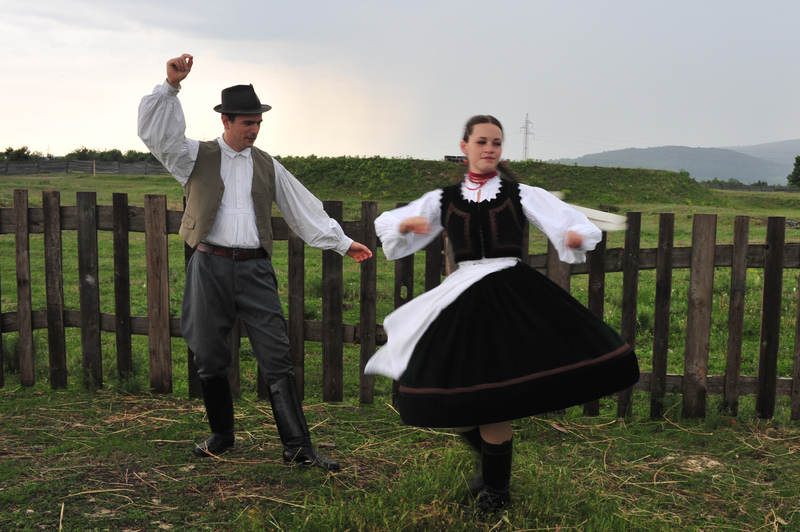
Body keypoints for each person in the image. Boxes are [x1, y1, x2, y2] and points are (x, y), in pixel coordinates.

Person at [364, 115, 639, 514]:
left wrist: (574, 236)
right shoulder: (444, 198)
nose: (489, 149)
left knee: (493, 403)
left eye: (496, 143)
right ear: (465, 147)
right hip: (462, 297)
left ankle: (496, 491)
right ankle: (492, 467)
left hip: (510, 293)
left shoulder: (519, 193)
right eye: (482, 142)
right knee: (457, 403)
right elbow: (392, 225)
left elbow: (565, 223)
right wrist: (406, 223)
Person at [137, 54, 372, 473]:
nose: (255, 129)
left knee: (276, 354)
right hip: (208, 266)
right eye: (247, 122)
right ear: (226, 120)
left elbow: (303, 208)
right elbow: (158, 136)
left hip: (254, 269)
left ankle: (298, 446)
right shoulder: (193, 156)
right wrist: (170, 87)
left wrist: (342, 242)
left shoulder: (267, 165)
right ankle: (222, 436)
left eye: (259, 122)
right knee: (208, 354)